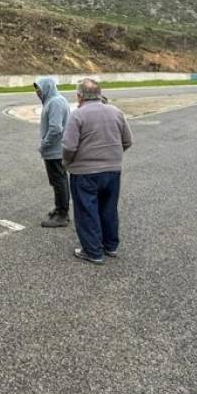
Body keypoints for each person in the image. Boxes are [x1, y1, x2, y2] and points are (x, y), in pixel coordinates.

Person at [62, 78, 133, 264]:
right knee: (108, 208)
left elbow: (69, 146)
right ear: (99, 94)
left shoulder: (77, 115)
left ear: (79, 96)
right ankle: (110, 245)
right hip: (112, 171)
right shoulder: (116, 112)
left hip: (85, 172)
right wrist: (112, 157)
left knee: (87, 210)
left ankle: (92, 251)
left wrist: (67, 163)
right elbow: (127, 141)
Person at [35, 77, 72, 228]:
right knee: (58, 181)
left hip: (55, 151)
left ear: (47, 87)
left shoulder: (55, 102)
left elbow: (56, 128)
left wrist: (44, 144)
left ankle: (62, 214)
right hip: (54, 150)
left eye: (39, 89)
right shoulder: (53, 100)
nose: (37, 92)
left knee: (59, 181)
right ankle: (59, 208)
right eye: (36, 89)